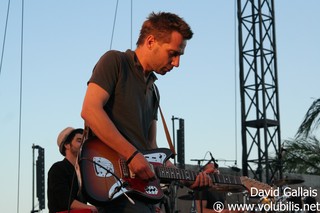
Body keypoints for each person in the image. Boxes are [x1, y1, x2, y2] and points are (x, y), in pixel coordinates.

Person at [81, 11, 213, 213]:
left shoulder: (154, 91)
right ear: (151, 41)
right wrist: (132, 155)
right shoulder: (115, 62)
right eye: (173, 53)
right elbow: (90, 110)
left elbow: (152, 148)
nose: (177, 63)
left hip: (141, 191)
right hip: (113, 182)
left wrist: (188, 179)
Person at [47, 127, 98, 213]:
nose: (83, 144)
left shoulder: (83, 172)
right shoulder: (58, 168)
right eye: (79, 140)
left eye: (84, 141)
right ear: (67, 145)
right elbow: (65, 201)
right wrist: (93, 208)